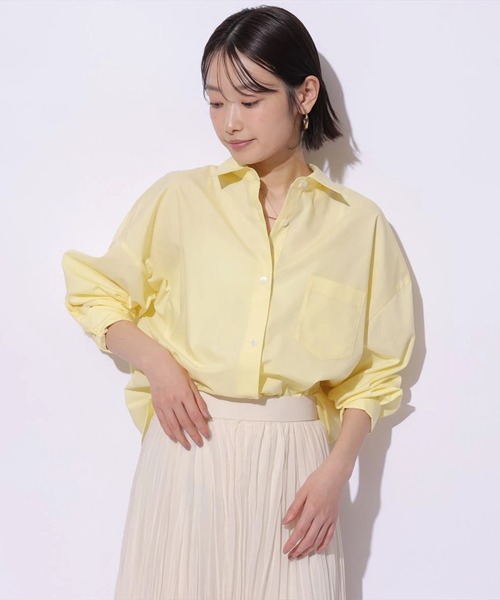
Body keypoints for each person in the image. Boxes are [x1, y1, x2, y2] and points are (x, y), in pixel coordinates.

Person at [62, 5, 415, 600]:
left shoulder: (358, 226)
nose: (230, 122)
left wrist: (337, 472)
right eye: (215, 102)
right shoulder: (180, 199)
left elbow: (376, 374)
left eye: (250, 101)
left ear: (305, 95)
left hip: (297, 470)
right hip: (186, 457)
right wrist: (157, 362)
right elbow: (96, 292)